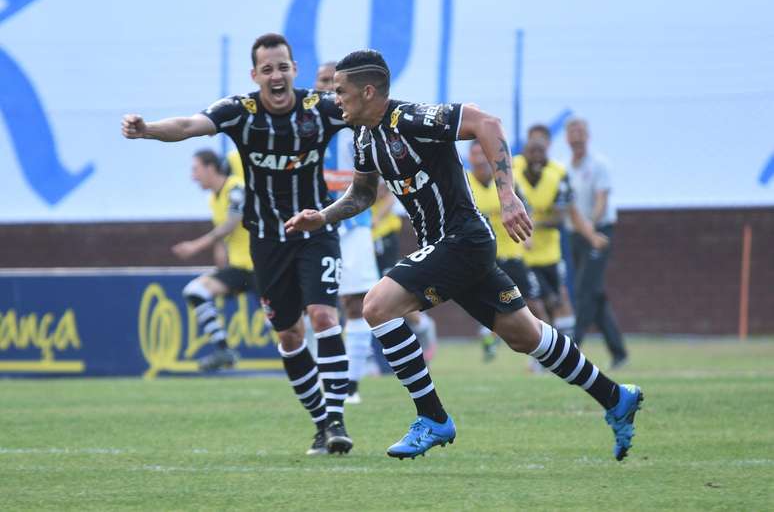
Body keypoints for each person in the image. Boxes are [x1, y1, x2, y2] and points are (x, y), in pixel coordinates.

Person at [286, 49, 643, 461]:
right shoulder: (364, 138)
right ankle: (616, 396)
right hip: (448, 248)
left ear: (368, 92)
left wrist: (508, 195)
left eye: (341, 91)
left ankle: (433, 417)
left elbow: (486, 123)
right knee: (524, 334)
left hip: (462, 239)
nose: (334, 100)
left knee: (377, 305)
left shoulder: (412, 119)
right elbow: (364, 192)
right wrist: (324, 216)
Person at [122, 33, 353, 456]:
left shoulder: (319, 110)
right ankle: (320, 422)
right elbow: (190, 126)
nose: (276, 75)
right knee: (288, 335)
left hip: (316, 230)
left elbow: (375, 112)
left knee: (322, 315)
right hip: (265, 241)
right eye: (267, 69)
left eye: (283, 66)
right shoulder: (240, 112)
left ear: (294, 70)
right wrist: (148, 129)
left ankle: (337, 420)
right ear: (255, 75)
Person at [316, 61, 381, 405]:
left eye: (335, 84)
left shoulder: (357, 123)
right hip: (312, 223)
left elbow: (377, 180)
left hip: (352, 226)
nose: (329, 89)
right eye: (323, 82)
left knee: (355, 303)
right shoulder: (304, 124)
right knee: (312, 305)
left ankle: (349, 386)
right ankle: (322, 380)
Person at [513, 132, 608, 340]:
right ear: (524, 153)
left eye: (541, 151)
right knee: (536, 302)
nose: (537, 156)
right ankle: (545, 348)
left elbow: (564, 215)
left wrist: (591, 236)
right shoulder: (513, 172)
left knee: (558, 301)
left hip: (550, 253)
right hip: (525, 255)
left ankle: (564, 346)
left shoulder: (557, 175)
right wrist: (527, 232)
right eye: (532, 151)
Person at [171, 149, 252, 371]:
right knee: (195, 291)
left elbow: (231, 222)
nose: (193, 176)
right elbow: (223, 232)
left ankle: (316, 364)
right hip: (240, 268)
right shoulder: (212, 198)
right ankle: (223, 350)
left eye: (195, 169)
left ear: (210, 168)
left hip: (263, 266)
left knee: (289, 326)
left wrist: (195, 246)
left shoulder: (235, 187)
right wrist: (220, 252)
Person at [467, 140, 547, 361]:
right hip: (483, 257)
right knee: (488, 304)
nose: (480, 159)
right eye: (475, 154)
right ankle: (489, 337)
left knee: (532, 302)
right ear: (470, 158)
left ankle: (544, 351)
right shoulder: (464, 183)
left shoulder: (506, 182)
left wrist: (527, 234)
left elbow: (525, 209)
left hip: (513, 252)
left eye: (483, 154)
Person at [565, 118, 628, 368]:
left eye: (580, 132)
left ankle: (572, 349)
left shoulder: (599, 165)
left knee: (584, 291)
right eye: (572, 132)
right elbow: (567, 206)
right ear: (567, 138)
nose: (576, 136)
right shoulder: (564, 168)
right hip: (576, 234)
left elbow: (602, 200)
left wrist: (590, 227)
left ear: (587, 136)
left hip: (599, 232)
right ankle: (619, 352)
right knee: (596, 293)